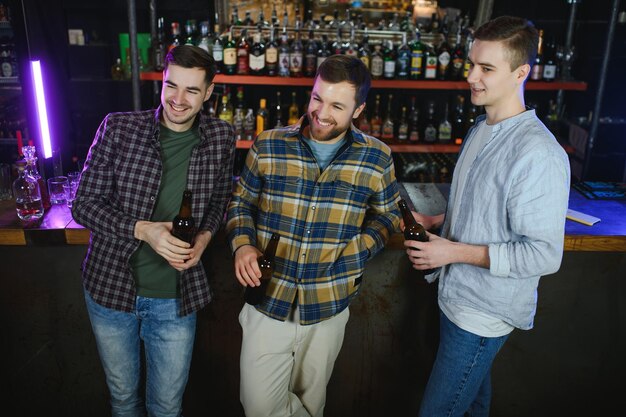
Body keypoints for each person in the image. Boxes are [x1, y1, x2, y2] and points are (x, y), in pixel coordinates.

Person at [402, 16, 571, 417]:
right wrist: (438, 221)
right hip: (454, 296)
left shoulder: (539, 154)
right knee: (475, 404)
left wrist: (453, 253)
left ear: (521, 73)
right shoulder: (482, 128)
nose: (472, 77)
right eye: (472, 64)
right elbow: (484, 206)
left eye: (486, 69)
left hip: (483, 313)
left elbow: (545, 255)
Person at [226, 55, 400, 417]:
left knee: (311, 403)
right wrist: (243, 243)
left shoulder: (376, 157)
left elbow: (388, 214)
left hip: (328, 301)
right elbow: (240, 203)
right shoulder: (269, 144)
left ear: (358, 109)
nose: (322, 112)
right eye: (318, 98)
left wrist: (357, 251)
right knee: (258, 406)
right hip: (268, 297)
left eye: (337, 105)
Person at [72, 45, 235, 416]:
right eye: (171, 86)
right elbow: (83, 204)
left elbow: (218, 199)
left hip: (176, 299)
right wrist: (143, 230)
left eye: (192, 90)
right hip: (111, 290)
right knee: (124, 401)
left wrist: (207, 237)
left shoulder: (221, 137)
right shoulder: (119, 127)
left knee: (166, 407)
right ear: (162, 82)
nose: (177, 100)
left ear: (209, 92)